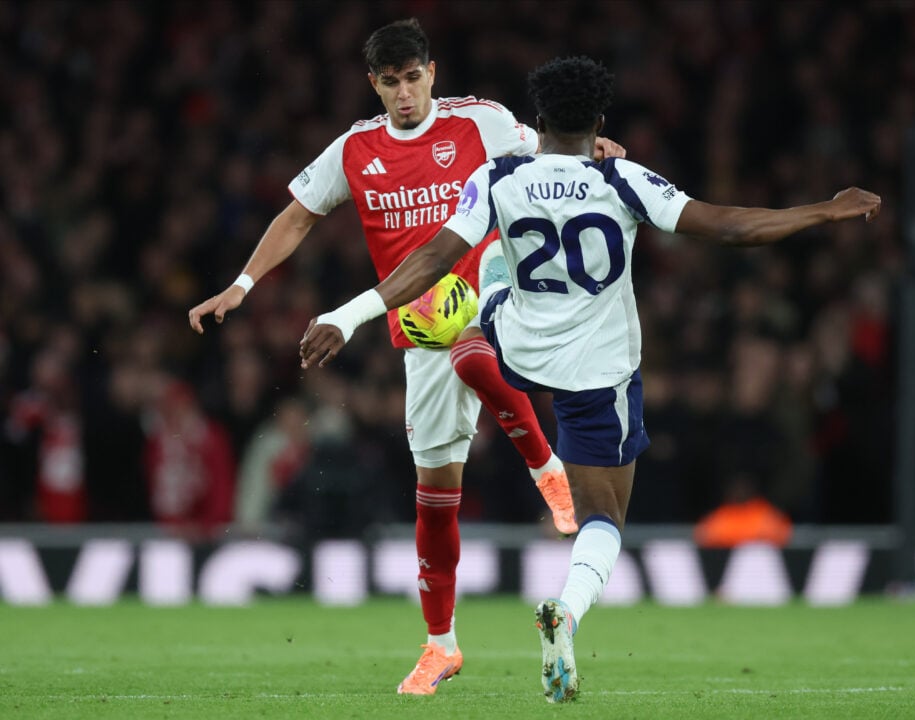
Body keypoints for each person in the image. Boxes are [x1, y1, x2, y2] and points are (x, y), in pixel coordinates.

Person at [297, 55, 881, 702]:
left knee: (477, 286)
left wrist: (350, 316)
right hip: (597, 369)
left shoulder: (499, 175)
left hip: (515, 341)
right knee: (604, 516)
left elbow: (433, 255)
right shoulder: (623, 178)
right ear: (600, 122)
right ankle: (565, 612)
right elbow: (733, 226)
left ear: (537, 121)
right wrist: (824, 211)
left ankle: (485, 364)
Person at [187, 19, 624, 696]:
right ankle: (439, 645)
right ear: (374, 84)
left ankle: (548, 466)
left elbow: (547, 154)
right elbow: (299, 214)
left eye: (412, 77)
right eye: (390, 81)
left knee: (474, 351)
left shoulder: (480, 122)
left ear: (432, 72)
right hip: (418, 329)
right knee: (435, 497)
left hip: (496, 289)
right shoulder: (356, 149)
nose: (404, 93)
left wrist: (589, 149)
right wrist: (241, 286)